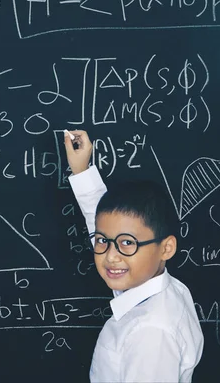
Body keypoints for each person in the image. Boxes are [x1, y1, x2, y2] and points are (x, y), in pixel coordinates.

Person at [63, 130, 204, 382]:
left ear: (166, 248)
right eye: (102, 242)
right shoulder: (152, 284)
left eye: (127, 243)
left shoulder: (150, 334)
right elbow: (106, 224)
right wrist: (82, 171)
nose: (111, 256)